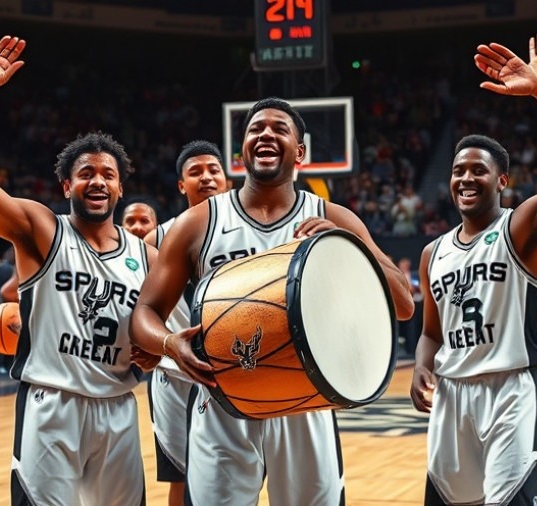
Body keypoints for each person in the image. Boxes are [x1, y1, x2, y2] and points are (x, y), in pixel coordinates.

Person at [130, 98, 413, 505]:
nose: (265, 134)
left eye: (279, 129)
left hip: (306, 402)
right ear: (241, 151)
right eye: (255, 129)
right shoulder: (199, 223)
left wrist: (350, 244)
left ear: (300, 152)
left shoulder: (332, 216)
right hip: (223, 400)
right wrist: (169, 343)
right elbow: (144, 313)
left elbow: (403, 305)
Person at [0, 35, 153, 505]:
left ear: (120, 188)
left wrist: (157, 349)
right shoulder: (41, 228)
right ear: (67, 185)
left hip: (119, 407)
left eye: (108, 174)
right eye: (86, 173)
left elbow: (160, 329)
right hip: (52, 404)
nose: (97, 180)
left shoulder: (146, 255)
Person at [408, 29, 537, 505]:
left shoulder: (524, 225)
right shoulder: (432, 253)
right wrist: (422, 366)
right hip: (451, 395)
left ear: (501, 180)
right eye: (458, 170)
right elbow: (431, 333)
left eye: (478, 170)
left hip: (510, 389)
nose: (465, 178)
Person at [141, 139, 228, 506]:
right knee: (179, 475)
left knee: (233, 472)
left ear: (226, 180)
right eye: (195, 172)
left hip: (232, 370)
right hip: (174, 374)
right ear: (181, 185)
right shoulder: (155, 239)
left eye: (213, 170)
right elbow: (138, 307)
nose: (205, 177)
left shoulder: (246, 229)